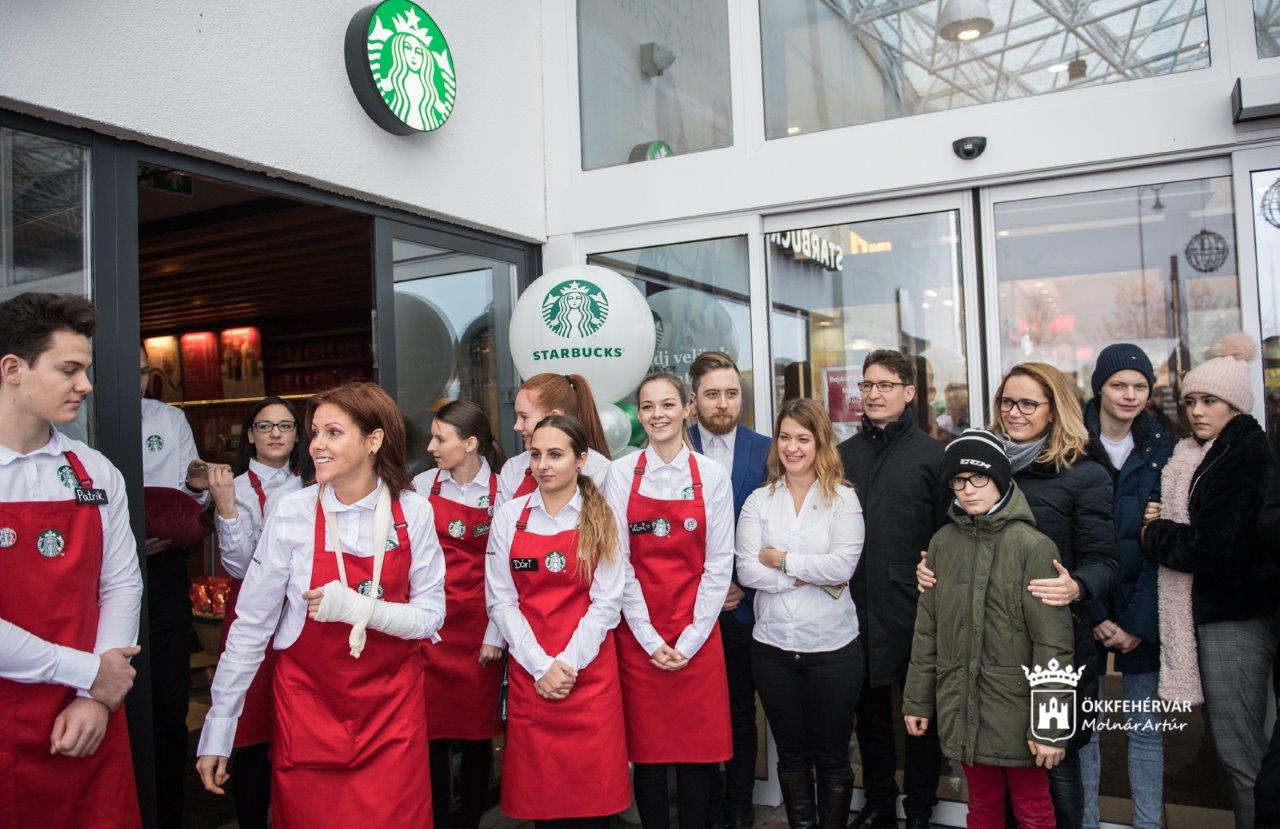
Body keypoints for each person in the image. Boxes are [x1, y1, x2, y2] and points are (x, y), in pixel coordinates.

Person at [196, 381, 446, 825]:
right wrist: (219, 728)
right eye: (314, 433)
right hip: (309, 711)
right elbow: (251, 625)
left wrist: (355, 609)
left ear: (373, 440)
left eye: (333, 432)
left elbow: (430, 618)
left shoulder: (414, 511)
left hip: (391, 714)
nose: (316, 446)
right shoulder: (292, 512)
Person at [919, 362, 1117, 829]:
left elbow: (1107, 562)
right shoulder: (982, 464)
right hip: (985, 652)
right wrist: (932, 568)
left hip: (1054, 643)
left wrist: (1078, 585)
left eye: (1029, 403)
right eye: (1008, 402)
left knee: (1053, 770)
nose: (1015, 412)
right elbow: (954, 537)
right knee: (991, 778)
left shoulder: (1083, 473)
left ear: (1054, 410)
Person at [0, 292, 143, 825]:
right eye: (69, 369)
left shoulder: (95, 471)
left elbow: (122, 584)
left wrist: (98, 699)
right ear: (13, 369)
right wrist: (91, 673)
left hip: (85, 720)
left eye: (86, 369)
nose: (86, 385)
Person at [903, 429, 1076, 829]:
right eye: (958, 481)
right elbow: (927, 630)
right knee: (981, 806)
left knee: (1033, 807)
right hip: (962, 706)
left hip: (1017, 711)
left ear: (1000, 478)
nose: (967, 489)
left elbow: (1054, 643)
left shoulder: (1033, 547)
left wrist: (1051, 725)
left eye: (978, 477)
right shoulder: (943, 543)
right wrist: (916, 700)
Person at [1142, 334, 1280, 829]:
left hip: (1234, 616)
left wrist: (1154, 533)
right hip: (1220, 611)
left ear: (1236, 405)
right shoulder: (1197, 453)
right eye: (1192, 401)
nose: (1197, 411)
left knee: (1241, 753)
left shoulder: (1242, 455)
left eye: (1210, 401)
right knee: (1243, 749)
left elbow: (1215, 548)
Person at [485, 415, 630, 826]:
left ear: (581, 459)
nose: (543, 464)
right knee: (543, 805)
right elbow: (501, 601)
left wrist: (565, 665)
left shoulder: (603, 517)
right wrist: (541, 666)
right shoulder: (510, 516)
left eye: (555, 454)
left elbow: (607, 602)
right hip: (534, 674)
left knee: (593, 808)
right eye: (535, 454)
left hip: (587, 675)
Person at [606, 371, 734, 829]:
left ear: (686, 409)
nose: (657, 414)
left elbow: (720, 563)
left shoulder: (712, 476)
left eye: (666, 405)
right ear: (639, 415)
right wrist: (647, 635)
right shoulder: (620, 474)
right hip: (640, 637)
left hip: (696, 637)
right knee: (650, 756)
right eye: (647, 407)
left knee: (700, 757)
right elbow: (617, 562)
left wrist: (693, 636)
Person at [737, 398, 865, 828]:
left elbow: (842, 567)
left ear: (820, 443)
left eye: (803, 439)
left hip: (832, 649)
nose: (793, 447)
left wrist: (783, 560)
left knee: (831, 756)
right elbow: (747, 569)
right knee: (790, 754)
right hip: (772, 649)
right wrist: (801, 573)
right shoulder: (759, 501)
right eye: (785, 437)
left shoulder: (843, 500)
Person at [837, 349, 946, 829]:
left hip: (917, 608)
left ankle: (920, 808)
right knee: (871, 716)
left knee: (922, 716)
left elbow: (949, 533)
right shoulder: (843, 455)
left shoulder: (935, 456)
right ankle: (880, 801)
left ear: (909, 392)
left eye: (885, 385)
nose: (874, 394)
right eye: (867, 385)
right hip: (855, 607)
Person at [1076, 346, 1172, 829]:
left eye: (1139, 386)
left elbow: (1163, 546)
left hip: (1142, 608)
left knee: (1146, 730)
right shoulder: (1071, 442)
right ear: (1100, 387)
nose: (1130, 395)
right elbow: (1065, 538)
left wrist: (1135, 623)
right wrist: (1095, 617)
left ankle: (1149, 823)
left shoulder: (1162, 446)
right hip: (1086, 607)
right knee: (1086, 734)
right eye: (1119, 385)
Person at [206, 396, 311, 828]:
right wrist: (227, 506)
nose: (275, 434)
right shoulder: (236, 486)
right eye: (265, 426)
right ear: (250, 435)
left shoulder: (313, 484)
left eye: (285, 426)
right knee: (249, 726)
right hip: (250, 612)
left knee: (296, 722)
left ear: (296, 435)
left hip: (303, 613)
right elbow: (240, 565)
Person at [411, 400, 507, 829]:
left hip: (480, 630)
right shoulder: (420, 487)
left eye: (440, 438)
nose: (431, 446)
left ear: (469, 444)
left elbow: (505, 571)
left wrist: (496, 632)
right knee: (430, 733)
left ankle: (469, 818)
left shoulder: (504, 491)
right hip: (431, 627)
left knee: (475, 736)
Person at [686, 350, 770, 829]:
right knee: (698, 715)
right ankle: (705, 808)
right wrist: (709, 586)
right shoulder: (674, 448)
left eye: (731, 393)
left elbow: (777, 527)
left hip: (746, 608)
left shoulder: (767, 450)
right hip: (688, 608)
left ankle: (739, 809)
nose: (723, 403)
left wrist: (738, 585)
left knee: (741, 712)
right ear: (694, 400)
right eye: (713, 394)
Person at [140, 343, 221, 828]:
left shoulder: (167, 419)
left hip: (163, 565)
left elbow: (189, 488)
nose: (137, 378)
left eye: (144, 370)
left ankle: (168, 811)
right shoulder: (73, 413)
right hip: (96, 566)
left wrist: (195, 488)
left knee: (166, 696)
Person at [495, 373, 612, 507]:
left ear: (553, 417)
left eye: (524, 417)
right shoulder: (513, 468)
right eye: (535, 456)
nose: (517, 426)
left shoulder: (601, 471)